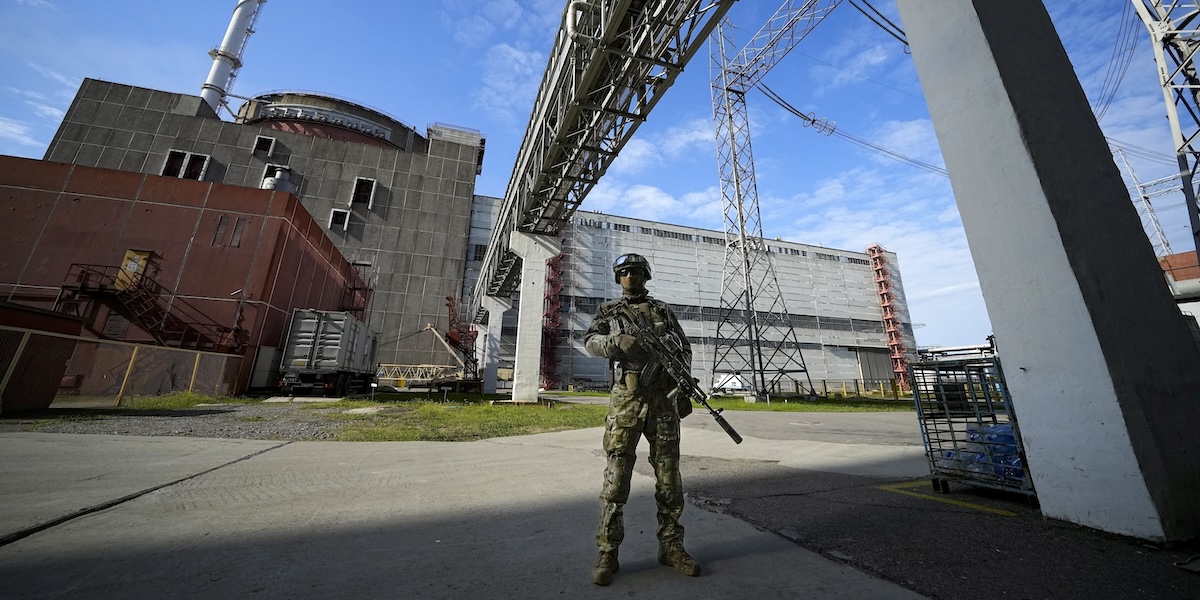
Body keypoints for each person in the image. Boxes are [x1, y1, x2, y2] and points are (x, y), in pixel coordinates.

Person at [583, 253, 700, 586]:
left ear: (646, 276)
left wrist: (682, 379)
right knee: (616, 479)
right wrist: (616, 342)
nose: (630, 276)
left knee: (669, 480)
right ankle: (607, 552)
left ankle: (672, 548)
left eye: (635, 271)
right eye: (624, 272)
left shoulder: (662, 311)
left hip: (663, 402)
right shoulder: (609, 311)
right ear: (618, 278)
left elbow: (684, 348)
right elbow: (590, 341)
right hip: (627, 403)